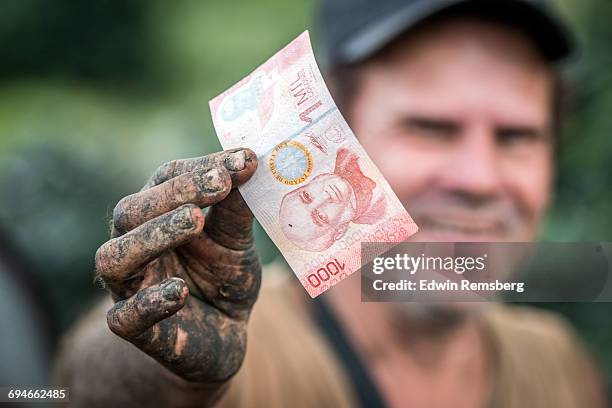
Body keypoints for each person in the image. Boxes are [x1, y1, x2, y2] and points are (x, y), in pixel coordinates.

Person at [53, 0, 607, 407]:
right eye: (431, 128)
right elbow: (87, 387)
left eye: (516, 137)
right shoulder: (250, 356)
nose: (481, 179)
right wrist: (166, 367)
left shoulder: (555, 367)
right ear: (330, 136)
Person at [280, 147, 386, 252]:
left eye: (306, 195)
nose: (325, 197)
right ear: (340, 230)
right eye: (321, 216)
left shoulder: (342, 153)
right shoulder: (379, 207)